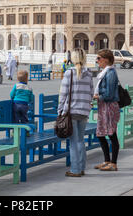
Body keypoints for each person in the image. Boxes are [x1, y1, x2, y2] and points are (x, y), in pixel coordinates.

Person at [57, 48, 93, 177]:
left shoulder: (69, 73)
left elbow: (63, 93)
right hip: (84, 112)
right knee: (80, 141)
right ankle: (81, 168)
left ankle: (75, 169)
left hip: (71, 111)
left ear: (73, 58)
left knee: (73, 142)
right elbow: (91, 93)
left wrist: (60, 110)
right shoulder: (88, 73)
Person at [93, 49, 120, 172]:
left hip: (109, 106)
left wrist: (97, 96)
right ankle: (106, 160)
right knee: (100, 133)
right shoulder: (104, 72)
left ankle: (113, 163)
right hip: (103, 106)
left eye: (99, 58)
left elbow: (109, 94)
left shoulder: (111, 73)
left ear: (106, 59)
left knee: (111, 134)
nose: (97, 61)